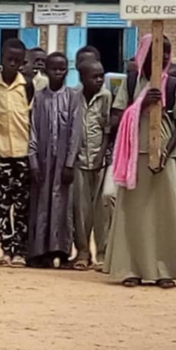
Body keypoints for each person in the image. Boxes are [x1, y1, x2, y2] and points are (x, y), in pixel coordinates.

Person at [105, 34, 176, 289]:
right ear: (143, 53)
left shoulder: (173, 85)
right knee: (133, 215)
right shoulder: (131, 83)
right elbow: (118, 116)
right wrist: (142, 105)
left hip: (163, 159)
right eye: (157, 51)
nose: (162, 57)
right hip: (134, 157)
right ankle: (131, 268)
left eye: (166, 52)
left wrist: (167, 150)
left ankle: (163, 269)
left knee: (164, 216)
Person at [28, 52, 82, 268]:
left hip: (63, 162)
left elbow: (76, 131)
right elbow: (32, 129)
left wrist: (69, 163)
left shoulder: (73, 96)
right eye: (53, 69)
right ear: (46, 70)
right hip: (42, 159)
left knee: (62, 204)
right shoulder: (40, 97)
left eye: (62, 69)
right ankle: (41, 252)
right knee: (41, 203)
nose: (58, 73)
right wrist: (32, 161)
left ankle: (61, 250)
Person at [0, 38, 33, 268]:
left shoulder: (27, 85)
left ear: (22, 63)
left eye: (17, 61)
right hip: (1, 154)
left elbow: (32, 121)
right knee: (2, 205)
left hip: (23, 155)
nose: (13, 64)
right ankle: (5, 249)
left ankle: (21, 251)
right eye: (9, 60)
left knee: (23, 206)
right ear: (2, 60)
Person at [72, 59, 111, 271]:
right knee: (81, 209)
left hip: (100, 160)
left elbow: (107, 129)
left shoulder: (106, 97)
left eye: (101, 76)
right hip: (79, 160)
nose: (99, 80)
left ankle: (103, 253)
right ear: (82, 78)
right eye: (94, 76)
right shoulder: (73, 97)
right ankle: (83, 252)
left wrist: (102, 154)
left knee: (101, 210)